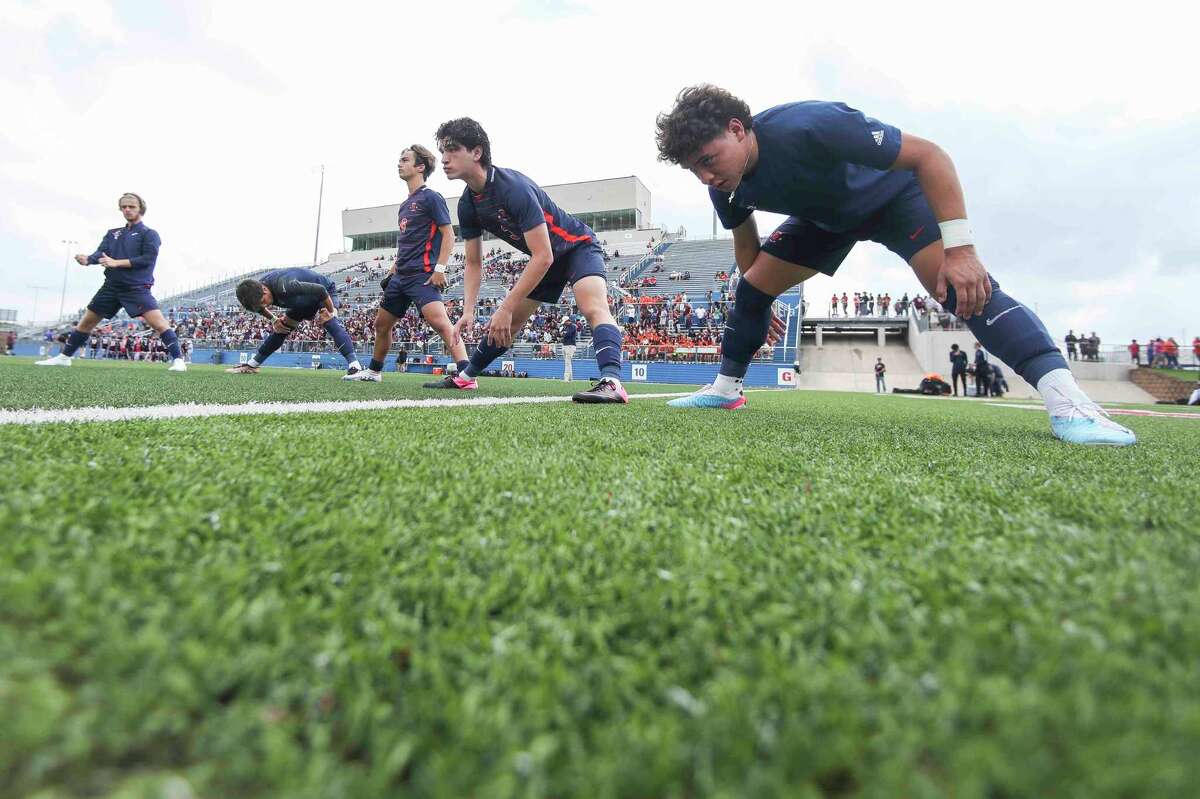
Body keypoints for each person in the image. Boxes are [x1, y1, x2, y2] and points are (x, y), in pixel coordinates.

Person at [654, 85, 1133, 445]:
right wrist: (760, 296)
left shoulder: (812, 124)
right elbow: (746, 246)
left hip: (892, 199)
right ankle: (725, 389)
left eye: (708, 159)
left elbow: (930, 156)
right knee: (750, 289)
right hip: (824, 221)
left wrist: (961, 250)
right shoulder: (724, 186)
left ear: (738, 129)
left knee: (958, 288)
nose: (705, 175)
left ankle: (1070, 404)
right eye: (693, 168)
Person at [431, 117, 627, 403]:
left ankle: (612, 381)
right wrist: (469, 310)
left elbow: (544, 255)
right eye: (442, 152)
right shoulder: (467, 204)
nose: (445, 159)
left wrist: (505, 306)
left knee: (592, 305)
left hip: (577, 247)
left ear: (476, 152)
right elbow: (473, 263)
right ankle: (466, 378)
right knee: (508, 326)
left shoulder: (513, 188)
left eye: (452, 149)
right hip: (546, 258)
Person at [345, 145, 470, 383]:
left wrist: (440, 269)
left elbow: (449, 235)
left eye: (405, 160)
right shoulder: (404, 205)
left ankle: (466, 374)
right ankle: (373, 372)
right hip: (400, 277)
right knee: (381, 325)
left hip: (422, 275)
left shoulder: (431, 197)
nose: (399, 163)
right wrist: (391, 272)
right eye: (399, 160)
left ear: (420, 167)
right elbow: (406, 245)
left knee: (439, 322)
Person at [36, 193, 186, 371]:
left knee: (159, 324)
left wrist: (117, 262)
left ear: (141, 209)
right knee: (86, 323)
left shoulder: (149, 234)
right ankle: (64, 357)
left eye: (131, 206)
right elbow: (101, 253)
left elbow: (147, 259)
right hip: (111, 286)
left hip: (135, 287)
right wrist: (88, 259)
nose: (127, 210)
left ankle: (179, 361)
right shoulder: (113, 233)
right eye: (124, 207)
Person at [226, 268, 362, 376]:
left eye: (264, 301)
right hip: (301, 301)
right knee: (282, 328)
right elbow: (259, 308)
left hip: (322, 292)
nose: (265, 306)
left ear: (265, 289)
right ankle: (252, 365)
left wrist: (332, 312)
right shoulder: (254, 293)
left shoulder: (285, 285)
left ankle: (355, 366)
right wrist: (274, 320)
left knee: (328, 319)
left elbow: (321, 290)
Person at [561, 316, 577, 381]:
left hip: (570, 346)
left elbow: (568, 334)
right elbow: (562, 334)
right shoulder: (566, 327)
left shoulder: (573, 326)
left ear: (567, 321)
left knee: (567, 362)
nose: (564, 324)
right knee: (567, 362)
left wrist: (564, 333)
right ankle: (570, 378)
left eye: (565, 322)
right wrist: (563, 333)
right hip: (565, 345)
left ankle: (566, 378)